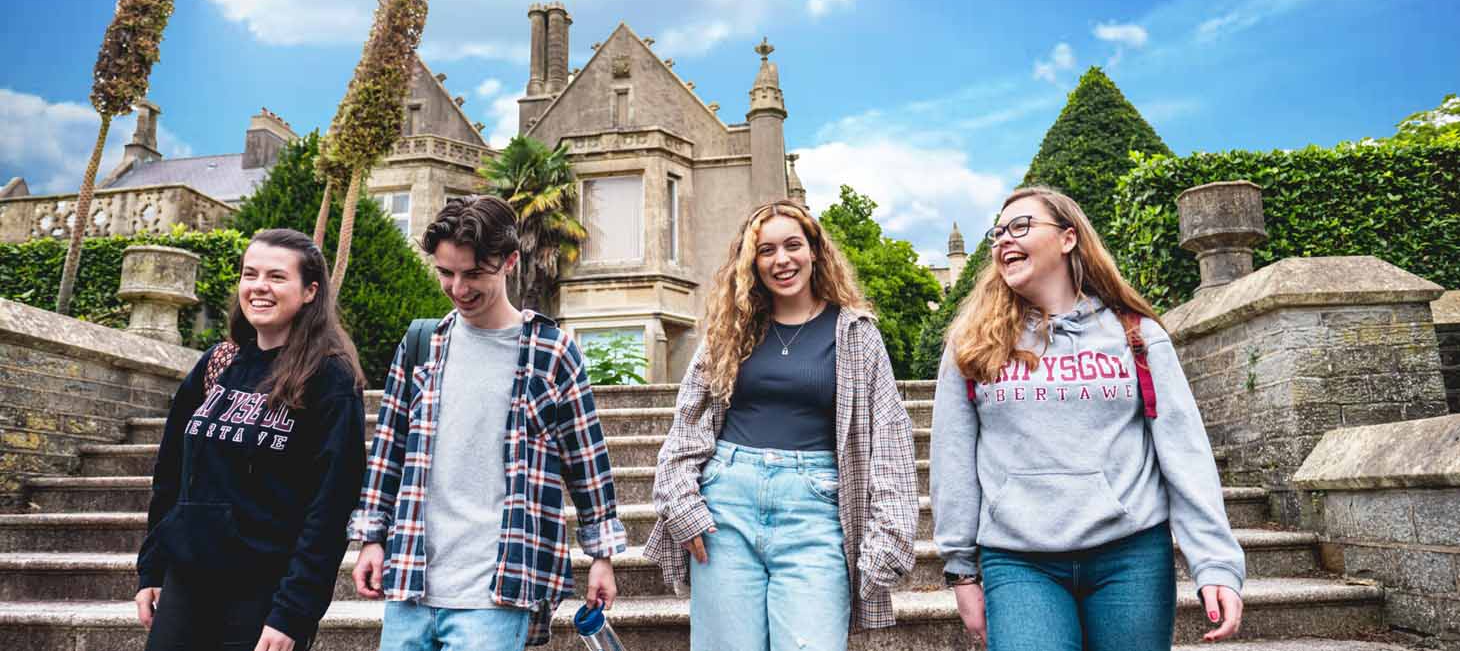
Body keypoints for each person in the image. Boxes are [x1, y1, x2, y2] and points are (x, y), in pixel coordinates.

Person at [931, 186, 1246, 651]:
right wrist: (960, 569)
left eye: (1020, 227)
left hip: (1130, 555)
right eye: (997, 233)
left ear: (1067, 238)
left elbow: (1184, 452)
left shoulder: (1136, 335)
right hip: (1019, 562)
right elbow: (952, 460)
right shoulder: (972, 344)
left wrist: (1215, 561)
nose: (1003, 241)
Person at [348, 195, 625, 651]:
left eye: (474, 273)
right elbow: (388, 451)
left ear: (510, 261)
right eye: (446, 273)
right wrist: (371, 539)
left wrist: (602, 557)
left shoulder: (551, 353)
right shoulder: (421, 345)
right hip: (412, 584)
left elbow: (587, 461)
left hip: (499, 590)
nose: (458, 288)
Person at [644, 199, 919, 651]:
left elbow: (889, 436)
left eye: (793, 245)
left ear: (815, 251)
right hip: (725, 509)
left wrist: (889, 534)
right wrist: (682, 502)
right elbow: (688, 424)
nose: (781, 260)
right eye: (766, 250)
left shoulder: (856, 333)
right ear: (752, 262)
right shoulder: (729, 330)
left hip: (814, 512)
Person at [136, 228, 368, 651]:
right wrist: (152, 569)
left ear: (310, 291)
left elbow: (331, 507)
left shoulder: (329, 378)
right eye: (250, 274)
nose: (259, 286)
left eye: (277, 277)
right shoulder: (218, 364)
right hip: (186, 583)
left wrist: (293, 613)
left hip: (264, 595)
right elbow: (170, 474)